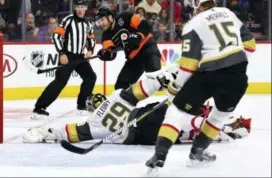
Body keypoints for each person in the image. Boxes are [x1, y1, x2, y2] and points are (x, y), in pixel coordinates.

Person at [145, 0, 256, 174]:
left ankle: (159, 156)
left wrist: (174, 87)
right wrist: (233, 61)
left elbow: (188, 66)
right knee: (219, 115)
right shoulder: (229, 14)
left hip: (210, 74)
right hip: (237, 74)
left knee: (176, 112)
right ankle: (197, 152)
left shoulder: (193, 24)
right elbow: (251, 45)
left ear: (197, 1)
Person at [23, 67, 251, 145]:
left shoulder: (196, 114)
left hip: (138, 129)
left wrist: (230, 129)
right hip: (138, 126)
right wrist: (230, 130)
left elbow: (207, 124)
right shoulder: (198, 115)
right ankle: (48, 133)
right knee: (94, 129)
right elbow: (209, 126)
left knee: (94, 129)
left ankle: (48, 133)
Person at [32, 0, 97, 119]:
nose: (80, 9)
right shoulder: (68, 20)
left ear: (86, 8)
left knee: (90, 77)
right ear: (74, 8)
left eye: (82, 7)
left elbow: (91, 39)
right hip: (67, 55)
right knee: (60, 82)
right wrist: (62, 53)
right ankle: (39, 108)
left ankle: (82, 105)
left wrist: (90, 50)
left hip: (80, 57)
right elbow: (56, 37)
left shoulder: (88, 23)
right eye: (78, 6)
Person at [94, 7, 162, 90]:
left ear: (110, 17)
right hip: (133, 58)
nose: (101, 23)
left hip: (147, 47)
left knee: (156, 77)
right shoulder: (106, 36)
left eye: (102, 20)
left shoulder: (125, 17)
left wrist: (138, 36)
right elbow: (111, 51)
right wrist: (107, 54)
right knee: (120, 87)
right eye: (98, 22)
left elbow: (145, 25)